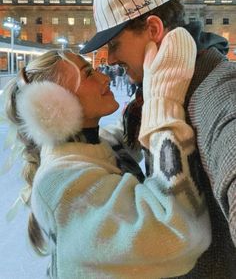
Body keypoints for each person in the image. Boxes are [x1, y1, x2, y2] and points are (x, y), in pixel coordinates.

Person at [80, 0, 236, 278]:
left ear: (153, 29)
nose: (108, 60)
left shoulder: (216, 92)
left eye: (113, 44)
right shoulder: (154, 91)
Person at [2, 48, 211, 278]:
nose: (105, 77)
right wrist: (163, 104)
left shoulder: (95, 144)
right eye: (89, 74)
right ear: (55, 104)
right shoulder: (60, 182)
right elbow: (174, 235)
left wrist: (145, 100)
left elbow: (120, 141)